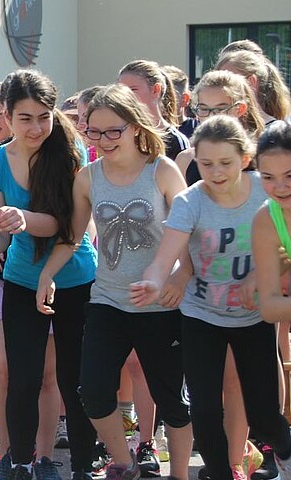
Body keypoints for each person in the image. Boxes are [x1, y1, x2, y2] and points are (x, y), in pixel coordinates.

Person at [37, 83, 193, 480]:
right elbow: (72, 236)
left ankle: (178, 474)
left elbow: (190, 227)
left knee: (172, 401)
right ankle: (123, 463)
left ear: (135, 126)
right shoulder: (88, 177)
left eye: (113, 131)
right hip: (107, 299)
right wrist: (46, 275)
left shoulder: (162, 169)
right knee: (92, 393)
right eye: (94, 131)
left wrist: (182, 273)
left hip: (160, 305)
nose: (103, 140)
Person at [0, 69, 99, 480]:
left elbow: (64, 225)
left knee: (75, 382)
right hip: (19, 280)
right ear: (6, 115)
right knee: (22, 378)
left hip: (75, 280)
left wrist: (22, 218)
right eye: (25, 118)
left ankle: (82, 469)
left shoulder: (71, 151)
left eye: (44, 116)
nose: (36, 127)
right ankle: (20, 463)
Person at [132, 115, 286, 480]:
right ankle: (219, 472)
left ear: (246, 158)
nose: (215, 172)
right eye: (205, 164)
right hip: (201, 314)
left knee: (263, 416)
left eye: (225, 163)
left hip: (252, 317)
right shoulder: (190, 201)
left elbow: (285, 251)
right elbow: (165, 255)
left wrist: (258, 276)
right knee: (202, 410)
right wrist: (154, 281)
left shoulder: (266, 191)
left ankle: (284, 451)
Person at [253, 119, 291, 480]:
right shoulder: (266, 218)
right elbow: (269, 306)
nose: (279, 187)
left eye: (290, 176)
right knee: (263, 415)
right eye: (267, 176)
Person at [176, 70, 265, 185]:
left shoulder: (261, 159)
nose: (211, 117)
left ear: (240, 109)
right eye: (204, 109)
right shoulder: (185, 160)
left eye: (220, 109)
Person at [118, 61, 190, 161]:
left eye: (133, 90)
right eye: (122, 91)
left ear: (156, 90)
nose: (126, 96)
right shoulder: (119, 134)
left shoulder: (175, 141)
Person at [216, 50, 291, 126]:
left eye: (227, 81)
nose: (218, 89)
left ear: (251, 81)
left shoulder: (275, 132)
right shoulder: (218, 126)